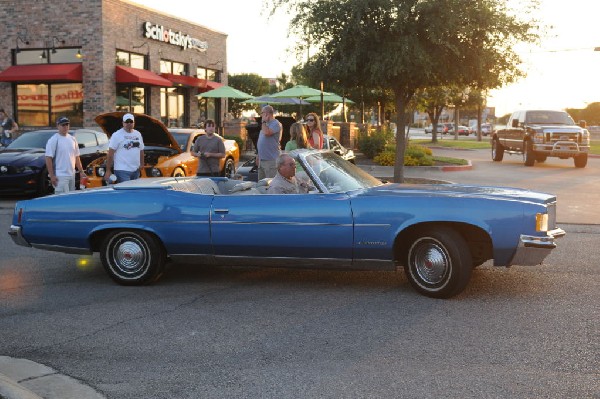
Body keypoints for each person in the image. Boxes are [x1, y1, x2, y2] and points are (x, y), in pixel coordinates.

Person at [44, 116, 86, 194]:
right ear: (58, 126)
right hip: (60, 176)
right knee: (61, 200)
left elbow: (77, 157)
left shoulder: (72, 139)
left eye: (67, 125)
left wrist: (81, 171)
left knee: (70, 200)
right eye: (63, 125)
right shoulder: (54, 140)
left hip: (72, 174)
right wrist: (52, 175)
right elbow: (48, 158)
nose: (65, 127)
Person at [104, 113, 144, 184]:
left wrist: (142, 163)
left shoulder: (138, 134)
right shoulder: (117, 135)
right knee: (127, 192)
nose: (129, 123)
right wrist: (108, 170)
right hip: (122, 170)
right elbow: (110, 154)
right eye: (127, 122)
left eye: (131, 121)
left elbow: (141, 150)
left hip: (135, 170)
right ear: (123, 123)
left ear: (134, 123)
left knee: (134, 191)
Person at [257, 105, 282, 180]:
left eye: (262, 113)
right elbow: (261, 141)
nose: (261, 115)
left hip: (271, 161)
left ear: (266, 114)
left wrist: (263, 121)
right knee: (261, 184)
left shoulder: (276, 123)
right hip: (262, 160)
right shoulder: (265, 125)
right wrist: (258, 155)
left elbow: (267, 133)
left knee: (271, 184)